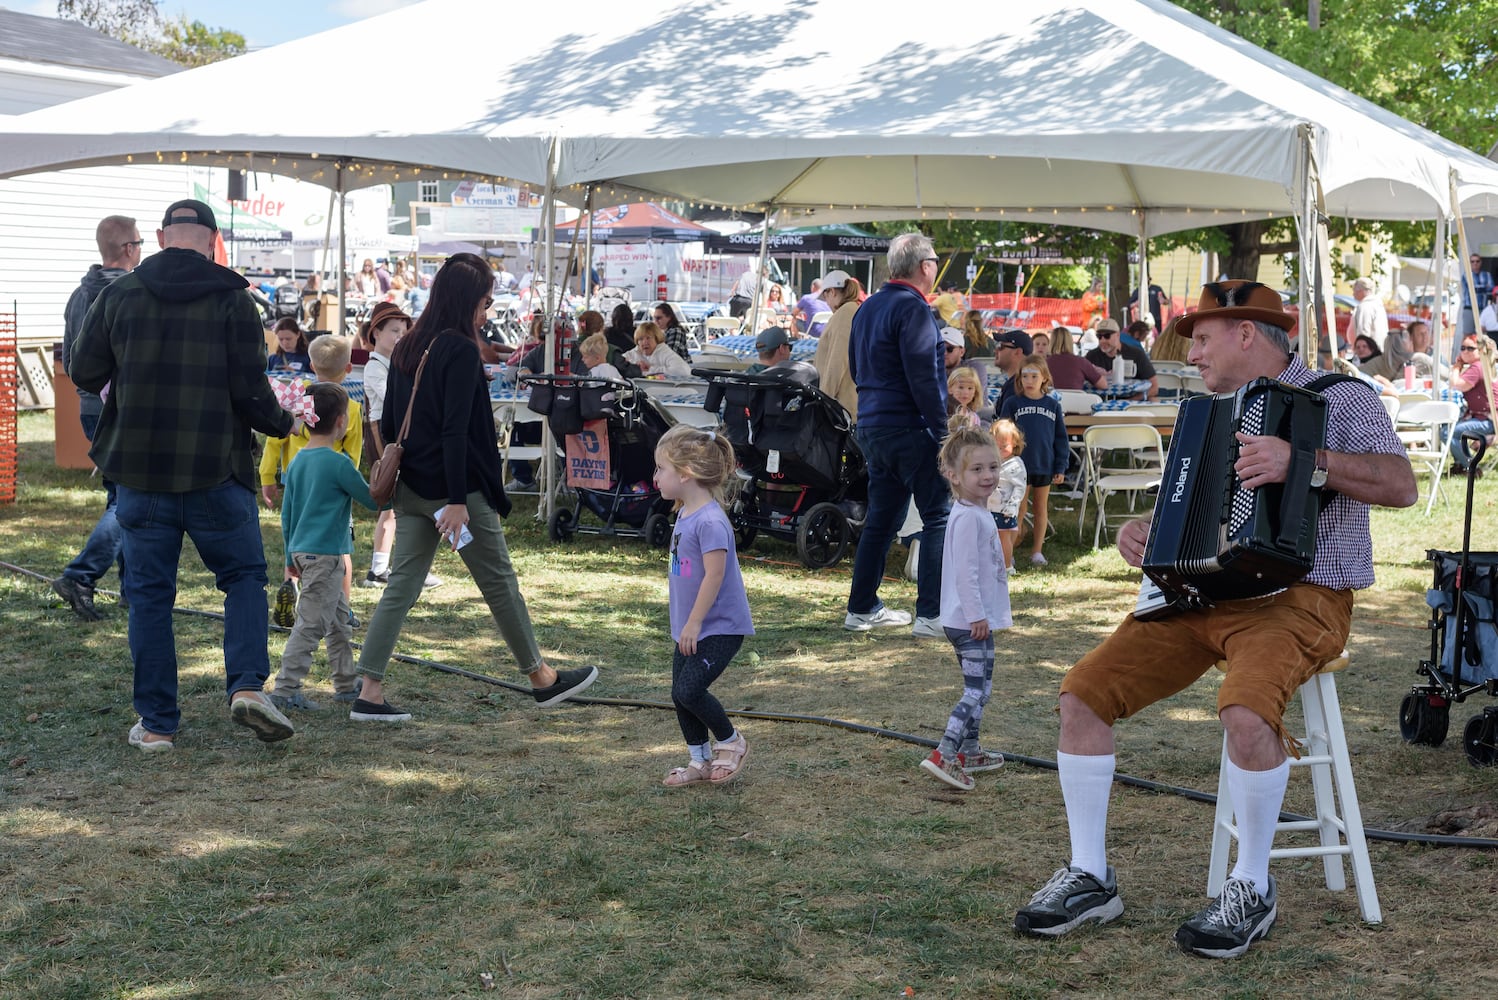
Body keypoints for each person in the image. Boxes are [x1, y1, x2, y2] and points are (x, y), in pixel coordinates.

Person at [1013, 280, 1416, 959]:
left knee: (1246, 712)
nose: (1191, 354)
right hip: (1203, 595)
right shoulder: (1211, 414)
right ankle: (1090, 874)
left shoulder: (1342, 396)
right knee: (1081, 695)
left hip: (1303, 595)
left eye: (1201, 339)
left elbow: (1400, 484)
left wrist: (1305, 461)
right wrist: (1144, 533)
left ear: (1246, 334)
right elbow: (1187, 512)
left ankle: (1251, 886)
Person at [69, 198, 299, 751]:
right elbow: (251, 390)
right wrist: (283, 421)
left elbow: (82, 369)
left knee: (149, 597)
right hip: (216, 470)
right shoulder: (234, 301)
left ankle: (156, 726)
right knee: (243, 579)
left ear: (161, 236)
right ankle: (247, 686)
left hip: (141, 474)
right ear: (215, 241)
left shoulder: (117, 295)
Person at [352, 252, 600, 722]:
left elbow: (399, 422)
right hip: (453, 492)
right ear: (469, 299)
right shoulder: (460, 350)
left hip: (413, 487)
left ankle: (369, 689)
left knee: (401, 586)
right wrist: (458, 500)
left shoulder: (407, 345)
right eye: (486, 301)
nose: (488, 311)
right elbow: (456, 431)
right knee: (498, 582)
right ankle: (541, 678)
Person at [844, 232, 949, 638]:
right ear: (925, 267)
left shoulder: (868, 308)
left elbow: (856, 367)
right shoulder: (914, 310)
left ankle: (863, 607)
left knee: (882, 521)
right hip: (909, 425)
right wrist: (943, 433)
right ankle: (931, 615)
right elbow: (925, 378)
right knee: (937, 516)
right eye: (935, 261)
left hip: (872, 423)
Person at [52, 214, 141, 622]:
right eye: (140, 243)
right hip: (122, 408)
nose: (141, 250)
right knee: (129, 500)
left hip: (89, 406)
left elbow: (69, 359)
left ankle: (131, 589)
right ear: (127, 248)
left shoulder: (78, 294)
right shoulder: (132, 293)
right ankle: (80, 576)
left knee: (118, 494)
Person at [654, 425, 755, 787]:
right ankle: (699, 760)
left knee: (688, 691)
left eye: (661, 470)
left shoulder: (711, 522)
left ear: (685, 474)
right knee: (679, 694)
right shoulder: (685, 513)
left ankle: (731, 742)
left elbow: (714, 576)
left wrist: (694, 623)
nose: (655, 478)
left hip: (718, 627)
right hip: (689, 625)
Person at [270, 383, 377, 711]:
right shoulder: (339, 463)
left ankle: (346, 683)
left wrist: (290, 557)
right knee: (312, 623)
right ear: (342, 421)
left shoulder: (298, 461)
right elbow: (373, 501)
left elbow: (287, 514)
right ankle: (285, 690)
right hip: (327, 556)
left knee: (338, 620)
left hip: (303, 552)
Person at [918, 424, 1012, 790]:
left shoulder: (973, 510)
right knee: (977, 691)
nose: (988, 475)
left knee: (981, 686)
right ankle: (945, 752)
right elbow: (965, 574)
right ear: (953, 475)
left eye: (993, 467)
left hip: (971, 619)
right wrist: (977, 616)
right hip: (970, 622)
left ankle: (970, 750)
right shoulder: (968, 518)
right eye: (977, 469)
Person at [359, 302, 440, 591]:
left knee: (400, 503)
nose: (399, 337)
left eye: (403, 332)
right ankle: (381, 568)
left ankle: (397, 568)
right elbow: (393, 398)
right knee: (393, 501)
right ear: (376, 332)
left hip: (396, 433)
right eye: (394, 331)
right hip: (382, 434)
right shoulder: (374, 367)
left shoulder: (394, 364)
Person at [998, 355, 1068, 567]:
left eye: (1034, 376)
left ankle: (1037, 550)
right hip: (1018, 466)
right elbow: (1002, 432)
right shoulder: (1013, 403)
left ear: (1044, 378)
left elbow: (1060, 438)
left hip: (1044, 464)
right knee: (1017, 507)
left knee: (1040, 508)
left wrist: (1060, 466)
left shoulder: (1052, 405)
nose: (1029, 380)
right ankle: (1008, 550)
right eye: (1025, 376)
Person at [1448, 336, 1494, 477]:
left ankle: (1471, 468)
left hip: (1488, 421)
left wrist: (1456, 367)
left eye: (1470, 348)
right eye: (1462, 348)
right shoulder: (1479, 365)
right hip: (1479, 417)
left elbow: (1456, 385)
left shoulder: (1477, 367)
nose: (1465, 352)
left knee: (1449, 432)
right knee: (1447, 429)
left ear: (1479, 351)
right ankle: (1461, 465)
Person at [988, 418, 1027, 572]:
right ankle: (993, 564)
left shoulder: (1016, 464)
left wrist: (1013, 505)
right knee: (990, 537)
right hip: (990, 507)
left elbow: (1020, 487)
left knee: (1004, 537)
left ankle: (1007, 565)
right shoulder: (991, 461)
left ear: (1015, 443)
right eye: (995, 447)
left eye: (1004, 447)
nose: (999, 451)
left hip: (1005, 509)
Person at [1085, 318, 1158, 399]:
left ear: (1118, 335)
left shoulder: (1136, 354)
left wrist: (1130, 401)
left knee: (1154, 400)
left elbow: (1154, 387)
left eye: (1107, 336)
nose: (1102, 340)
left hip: (1131, 404)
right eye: (1099, 336)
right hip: (1101, 403)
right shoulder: (1092, 356)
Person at [1046, 327, 1108, 391]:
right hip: (1075, 400)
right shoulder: (1081, 362)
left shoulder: (1043, 364)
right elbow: (1103, 385)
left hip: (1051, 400)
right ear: (1070, 342)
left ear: (1051, 342)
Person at [625, 321, 692, 377]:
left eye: (648, 338)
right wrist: (635, 366)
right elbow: (618, 363)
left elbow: (684, 371)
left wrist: (651, 369)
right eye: (641, 339)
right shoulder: (636, 351)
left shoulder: (664, 351)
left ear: (656, 339)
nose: (644, 342)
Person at [990, 329, 1033, 414]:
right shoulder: (1019, 382)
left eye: (1001, 347)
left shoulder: (1017, 387)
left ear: (1017, 352)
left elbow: (1007, 424)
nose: (995, 351)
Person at [1350, 277, 1389, 351]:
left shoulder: (1365, 307)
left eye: (1354, 290)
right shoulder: (1377, 305)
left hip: (1370, 354)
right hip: (1378, 351)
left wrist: (1361, 355)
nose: (1353, 293)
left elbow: (1363, 334)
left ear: (1361, 291)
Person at [1462, 254, 1493, 337]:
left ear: (1481, 262)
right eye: (1472, 261)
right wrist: (1483, 288)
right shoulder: (1466, 275)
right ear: (1469, 263)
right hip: (1469, 308)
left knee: (1482, 334)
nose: (1475, 263)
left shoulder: (1487, 275)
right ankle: (1466, 349)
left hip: (1482, 309)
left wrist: (1479, 289)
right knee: (1467, 334)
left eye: (1477, 261)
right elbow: (1472, 289)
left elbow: (1491, 290)